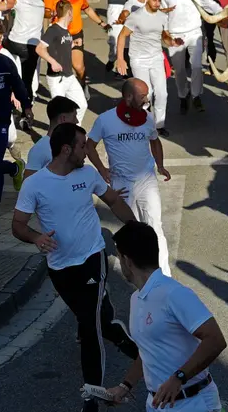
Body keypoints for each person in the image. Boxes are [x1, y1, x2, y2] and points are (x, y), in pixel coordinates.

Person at [11, 123, 139, 412]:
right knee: (96, 320)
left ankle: (91, 399)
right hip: (60, 268)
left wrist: (136, 230)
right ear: (67, 149)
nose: (87, 151)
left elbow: (113, 201)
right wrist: (35, 238)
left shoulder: (87, 175)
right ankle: (126, 340)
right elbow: (18, 224)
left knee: (90, 327)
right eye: (83, 146)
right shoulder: (35, 185)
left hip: (92, 259)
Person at [106, 220, 228, 412]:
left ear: (127, 260)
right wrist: (124, 386)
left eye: (118, 256)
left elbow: (215, 339)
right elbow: (146, 351)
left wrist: (179, 377)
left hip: (196, 409)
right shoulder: (137, 299)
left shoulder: (174, 293)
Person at [86, 78, 173, 277]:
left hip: (146, 181)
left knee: (155, 226)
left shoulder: (147, 118)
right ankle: (136, 272)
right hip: (122, 183)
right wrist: (101, 169)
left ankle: (164, 275)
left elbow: (155, 141)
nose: (146, 99)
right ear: (128, 96)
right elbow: (90, 145)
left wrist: (160, 165)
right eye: (142, 96)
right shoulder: (105, 120)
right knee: (132, 228)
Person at [0, 19, 31, 232]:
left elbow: (18, 85)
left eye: (0, 38)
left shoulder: (5, 62)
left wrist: (27, 107)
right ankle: (14, 167)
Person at [116, 0, 183, 137]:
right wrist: (120, 59)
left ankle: (159, 125)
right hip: (138, 60)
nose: (157, 3)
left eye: (159, 1)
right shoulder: (136, 16)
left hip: (156, 58)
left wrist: (173, 42)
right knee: (146, 94)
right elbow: (122, 36)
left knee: (162, 93)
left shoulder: (163, 17)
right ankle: (143, 123)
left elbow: (164, 36)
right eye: (154, 0)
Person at [44, 0, 110, 100]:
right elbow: (45, 13)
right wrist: (55, 13)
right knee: (59, 67)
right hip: (58, 35)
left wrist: (101, 23)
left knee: (79, 67)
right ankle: (61, 94)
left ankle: (83, 85)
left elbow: (87, 9)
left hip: (75, 34)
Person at [161, 0, 218, 114]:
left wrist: (224, 12)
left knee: (197, 66)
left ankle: (196, 95)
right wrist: (166, 34)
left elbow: (207, 3)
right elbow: (162, 14)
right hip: (174, 34)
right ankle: (182, 95)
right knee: (179, 69)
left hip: (195, 32)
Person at [36, 0, 87, 124]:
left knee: (82, 105)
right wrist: (52, 62)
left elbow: (61, 47)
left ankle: (74, 129)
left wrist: (74, 43)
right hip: (56, 79)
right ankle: (58, 136)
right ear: (70, 12)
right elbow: (39, 48)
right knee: (60, 113)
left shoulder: (66, 30)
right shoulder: (53, 30)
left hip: (69, 76)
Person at [3, 0, 43, 128]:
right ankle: (27, 115)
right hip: (33, 47)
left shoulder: (19, 1)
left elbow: (1, 6)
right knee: (27, 80)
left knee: (0, 46)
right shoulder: (41, 4)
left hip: (15, 43)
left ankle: (8, 104)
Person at [24, 95, 79, 178]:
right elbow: (27, 185)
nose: (77, 121)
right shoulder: (40, 150)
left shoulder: (73, 146)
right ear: (63, 119)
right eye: (74, 116)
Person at [105, 0, 128, 78]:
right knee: (114, 39)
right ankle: (112, 58)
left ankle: (121, 70)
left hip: (134, 3)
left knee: (128, 40)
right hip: (116, 5)